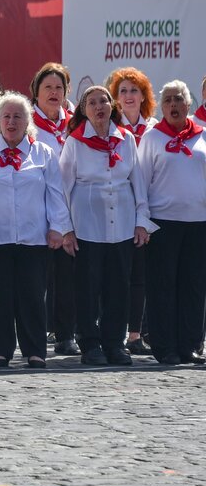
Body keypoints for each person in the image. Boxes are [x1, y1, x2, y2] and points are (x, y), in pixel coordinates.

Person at [0, 92, 71, 368]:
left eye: (18, 116)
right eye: (6, 116)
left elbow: (56, 194)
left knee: (33, 296)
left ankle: (35, 350)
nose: (11, 122)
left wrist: (58, 227)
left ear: (28, 121)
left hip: (34, 237)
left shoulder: (43, 153)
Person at [60, 85, 155, 367]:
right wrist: (66, 228)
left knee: (119, 287)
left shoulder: (125, 139)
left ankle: (115, 342)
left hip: (122, 226)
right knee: (88, 288)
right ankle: (90, 343)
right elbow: (62, 190)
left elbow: (137, 183)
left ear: (112, 106)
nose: (99, 107)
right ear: (83, 110)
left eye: (104, 101)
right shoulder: (75, 143)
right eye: (92, 102)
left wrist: (141, 221)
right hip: (88, 228)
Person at [137, 81, 206, 365]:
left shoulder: (202, 136)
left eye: (179, 99)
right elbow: (140, 182)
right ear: (160, 107)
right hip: (163, 223)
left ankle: (190, 344)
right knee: (163, 286)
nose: (174, 105)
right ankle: (164, 346)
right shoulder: (152, 138)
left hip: (199, 223)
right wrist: (142, 219)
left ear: (188, 105)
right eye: (168, 100)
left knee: (194, 286)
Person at [29, 62, 77, 356]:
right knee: (36, 280)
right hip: (35, 212)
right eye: (48, 86)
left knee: (67, 277)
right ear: (36, 92)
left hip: (69, 213)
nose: (54, 92)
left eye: (59, 87)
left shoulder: (75, 124)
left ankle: (65, 333)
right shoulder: (26, 122)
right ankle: (35, 333)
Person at [107, 67, 156, 354]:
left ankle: (137, 334)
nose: (128, 96)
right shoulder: (110, 128)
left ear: (144, 96)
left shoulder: (154, 130)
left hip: (152, 210)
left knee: (143, 276)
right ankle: (113, 331)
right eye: (122, 91)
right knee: (117, 275)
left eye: (133, 90)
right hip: (119, 210)